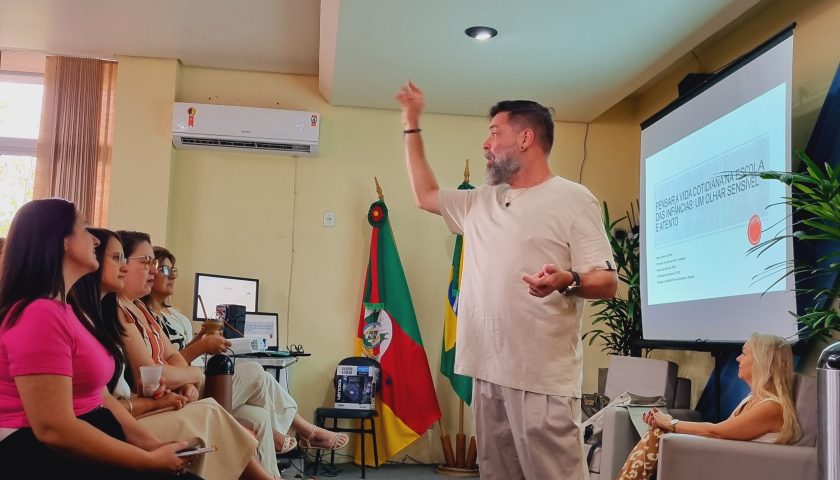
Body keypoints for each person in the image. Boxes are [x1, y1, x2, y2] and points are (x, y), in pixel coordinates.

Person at [395, 82, 618, 480]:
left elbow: (606, 282)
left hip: (540, 378)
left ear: (526, 138)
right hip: (487, 370)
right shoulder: (481, 200)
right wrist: (411, 123)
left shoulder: (573, 198)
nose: (486, 144)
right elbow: (424, 194)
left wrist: (567, 279)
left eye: (495, 133)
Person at [115, 232, 347, 476]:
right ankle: (303, 431)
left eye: (163, 267)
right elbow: (152, 373)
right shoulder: (122, 311)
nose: (159, 273)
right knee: (255, 373)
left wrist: (189, 374)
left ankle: (279, 459)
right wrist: (195, 367)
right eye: (150, 264)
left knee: (259, 416)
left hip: (182, 384)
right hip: (170, 392)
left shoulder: (148, 312)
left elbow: (173, 359)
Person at [0, 198, 199, 479]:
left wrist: (153, 447)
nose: (95, 240)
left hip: (87, 434)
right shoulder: (39, 314)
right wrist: (146, 461)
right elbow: (54, 429)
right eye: (84, 229)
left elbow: (102, 398)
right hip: (33, 453)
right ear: (62, 241)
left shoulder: (65, 311)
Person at [69, 227, 274, 480]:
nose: (154, 271)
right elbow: (143, 378)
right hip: (125, 416)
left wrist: (182, 384)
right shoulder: (106, 313)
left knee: (256, 415)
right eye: (145, 262)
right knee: (220, 405)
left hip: (139, 406)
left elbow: (169, 361)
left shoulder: (132, 310)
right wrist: (191, 375)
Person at [616, 333, 801, 480]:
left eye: (744, 353)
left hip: (738, 469)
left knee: (660, 432)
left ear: (762, 360)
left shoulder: (771, 407)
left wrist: (671, 424)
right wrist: (665, 423)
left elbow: (717, 432)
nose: (738, 359)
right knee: (659, 431)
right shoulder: (752, 399)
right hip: (725, 462)